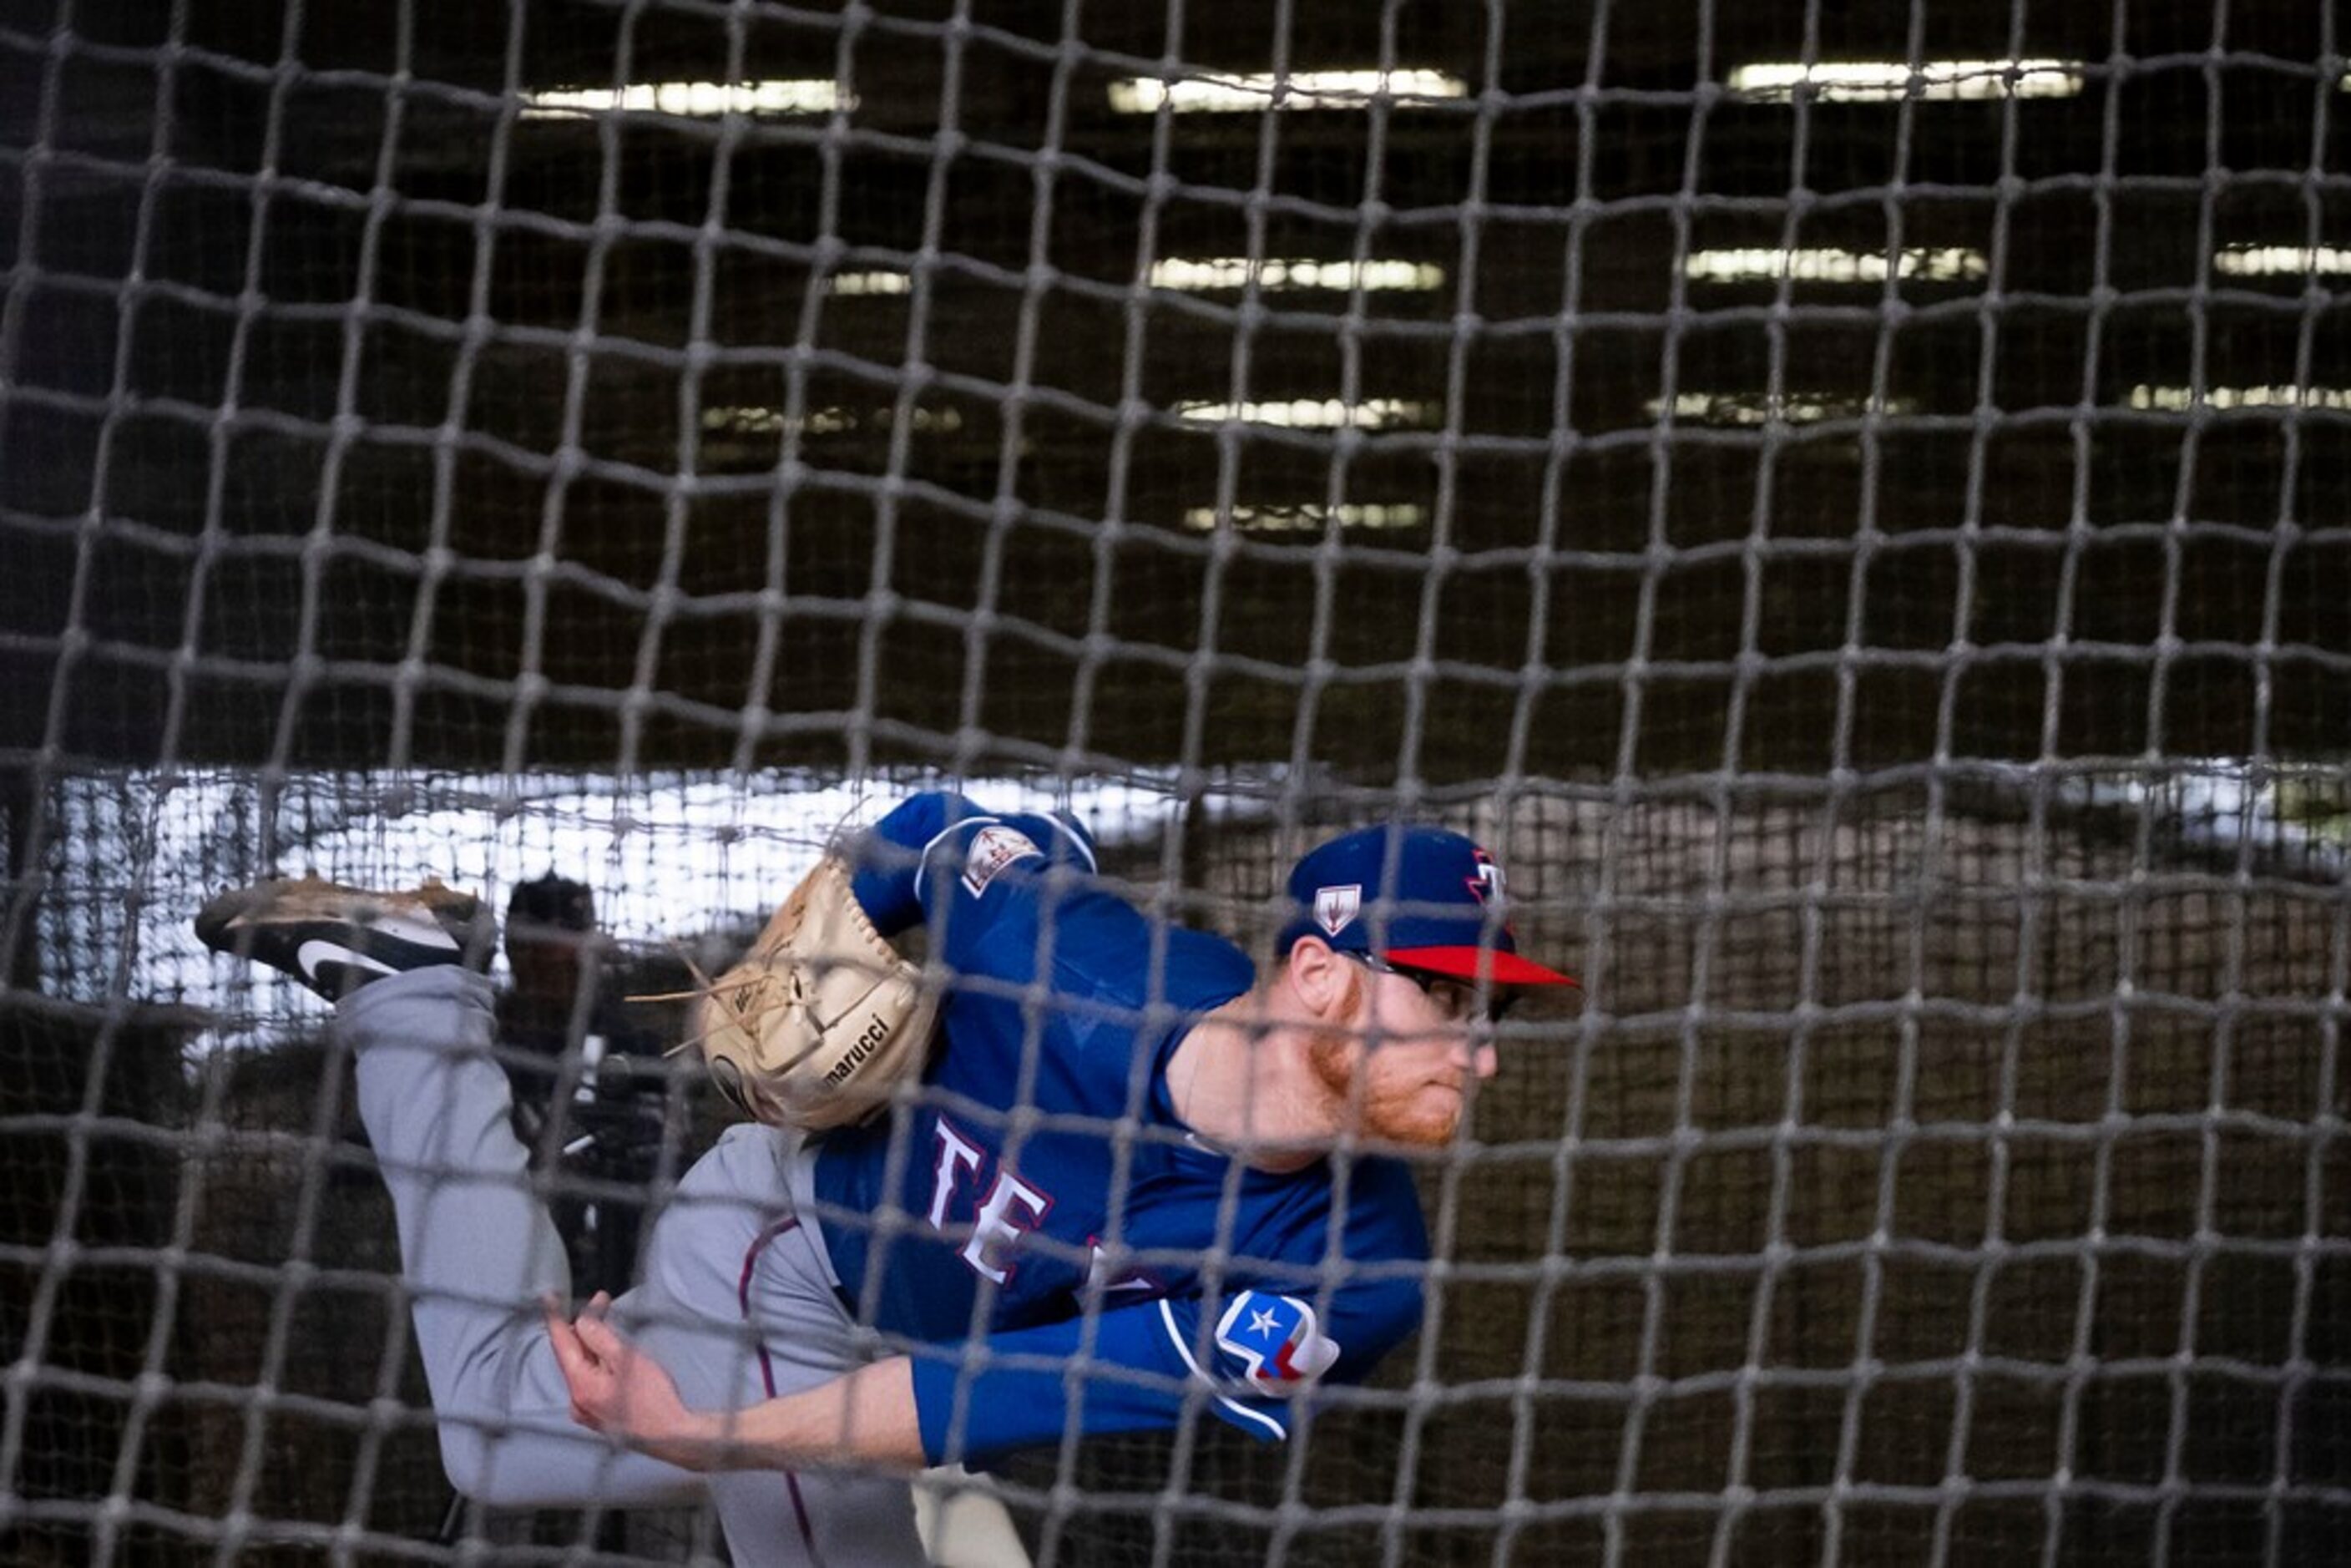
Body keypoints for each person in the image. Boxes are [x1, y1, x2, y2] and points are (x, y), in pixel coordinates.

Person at [194, 793, 1576, 1565]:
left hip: (920, 1367)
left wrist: (708, 1437)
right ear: (1321, 977)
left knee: (493, 1434)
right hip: (789, 1247)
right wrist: (844, 944)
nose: (1480, 1053)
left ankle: (410, 992)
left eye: (1490, 1015)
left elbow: (991, 1398)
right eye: (1450, 1000)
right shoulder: (1065, 960)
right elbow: (955, 827)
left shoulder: (1360, 1276)